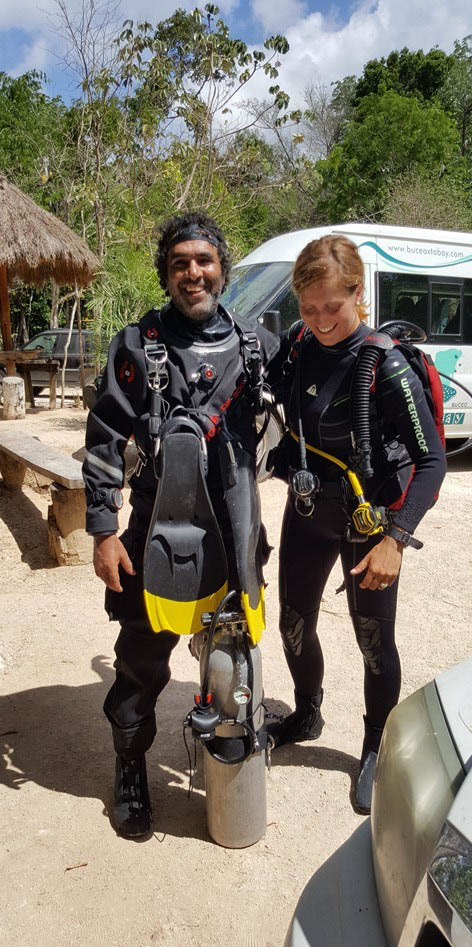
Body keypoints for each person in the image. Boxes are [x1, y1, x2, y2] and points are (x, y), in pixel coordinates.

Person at [83, 212, 277, 838]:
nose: (193, 273)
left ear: (223, 265)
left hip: (238, 532)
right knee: (142, 659)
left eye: (204, 260)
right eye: (179, 264)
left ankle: (230, 761)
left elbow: (304, 416)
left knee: (233, 654)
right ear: (166, 274)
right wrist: (104, 529)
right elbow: (105, 436)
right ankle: (130, 767)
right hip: (158, 530)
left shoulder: (257, 344)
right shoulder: (138, 345)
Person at [266, 235, 446, 813]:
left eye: (332, 307)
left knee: (373, 642)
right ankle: (306, 711)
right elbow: (253, 397)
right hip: (309, 514)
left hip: (372, 526)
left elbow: (432, 461)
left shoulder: (385, 364)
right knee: (294, 622)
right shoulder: (295, 349)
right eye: (309, 307)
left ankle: (374, 747)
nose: (320, 320)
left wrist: (396, 540)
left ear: (357, 295)